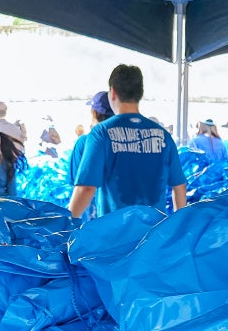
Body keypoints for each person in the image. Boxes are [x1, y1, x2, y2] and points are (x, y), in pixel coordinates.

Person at [69, 64, 186, 219]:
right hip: (153, 235)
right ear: (141, 93)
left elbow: (86, 189)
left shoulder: (101, 133)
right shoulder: (163, 135)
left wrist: (67, 225)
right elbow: (179, 187)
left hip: (115, 236)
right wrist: (180, 226)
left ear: (113, 92)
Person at [69, 91, 114, 187]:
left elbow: (76, 182)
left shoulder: (84, 142)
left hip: (90, 199)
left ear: (94, 114)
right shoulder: (124, 141)